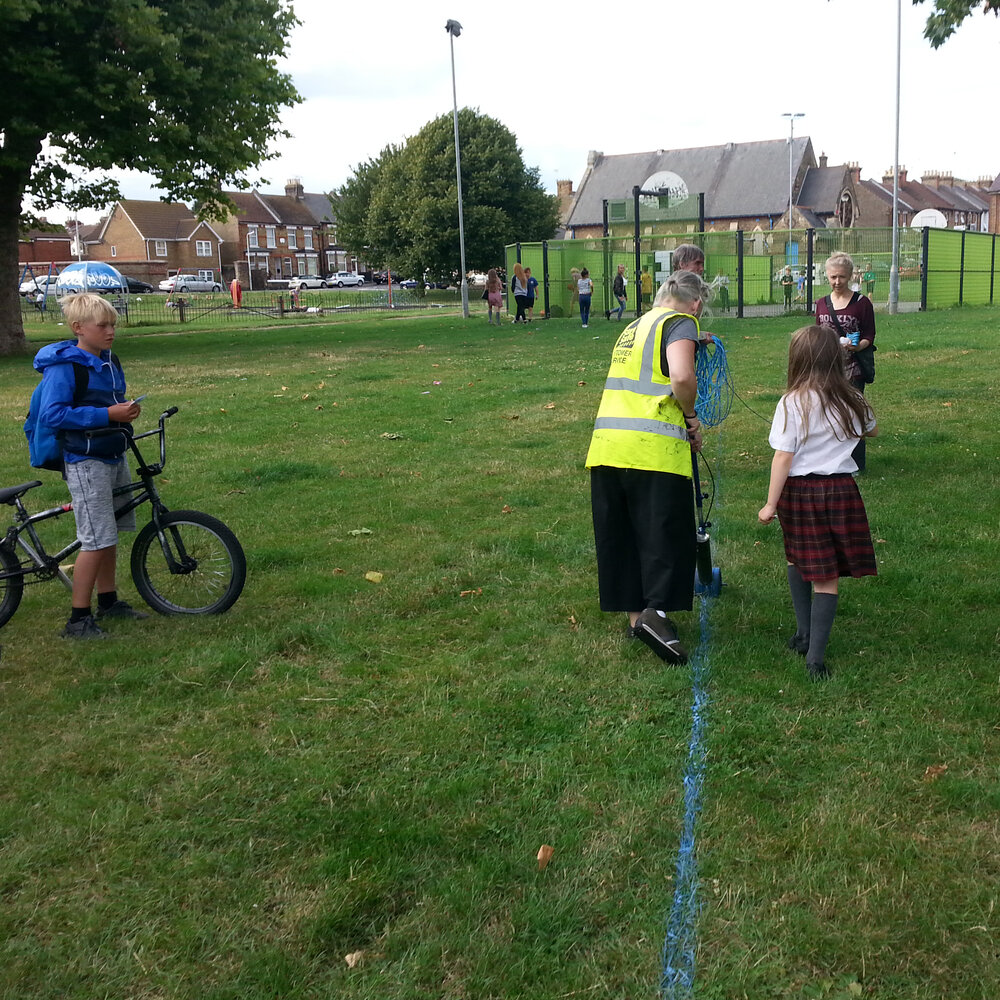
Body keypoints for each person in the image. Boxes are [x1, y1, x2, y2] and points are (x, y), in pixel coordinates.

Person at [585, 269, 710, 665]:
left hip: (607, 448)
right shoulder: (681, 323)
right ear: (696, 304)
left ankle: (636, 618)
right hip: (652, 451)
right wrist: (690, 414)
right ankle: (657, 613)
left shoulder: (636, 325)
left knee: (621, 537)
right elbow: (681, 374)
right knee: (664, 534)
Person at [757, 324, 878, 680]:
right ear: (837, 359)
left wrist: (769, 504)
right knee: (821, 572)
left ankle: (810, 648)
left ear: (796, 361)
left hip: (799, 493)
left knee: (799, 558)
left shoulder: (791, 402)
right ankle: (809, 643)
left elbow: (783, 457)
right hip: (841, 492)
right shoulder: (852, 398)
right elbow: (872, 429)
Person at [34, 293, 146, 639]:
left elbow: (110, 400)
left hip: (112, 451)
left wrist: (123, 412)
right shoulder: (65, 367)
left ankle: (108, 601)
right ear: (78, 328)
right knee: (94, 538)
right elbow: (53, 414)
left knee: (108, 533)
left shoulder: (109, 360)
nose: (111, 331)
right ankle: (78, 619)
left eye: (113, 324)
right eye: (103, 325)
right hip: (86, 459)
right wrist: (106, 414)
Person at [815, 252, 876, 472]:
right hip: (826, 369)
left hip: (853, 370)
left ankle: (856, 464)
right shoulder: (821, 304)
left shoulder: (862, 303)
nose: (837, 282)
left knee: (853, 415)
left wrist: (857, 346)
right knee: (826, 415)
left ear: (850, 275)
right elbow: (818, 334)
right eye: (832, 277)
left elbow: (870, 334)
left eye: (841, 276)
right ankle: (830, 461)